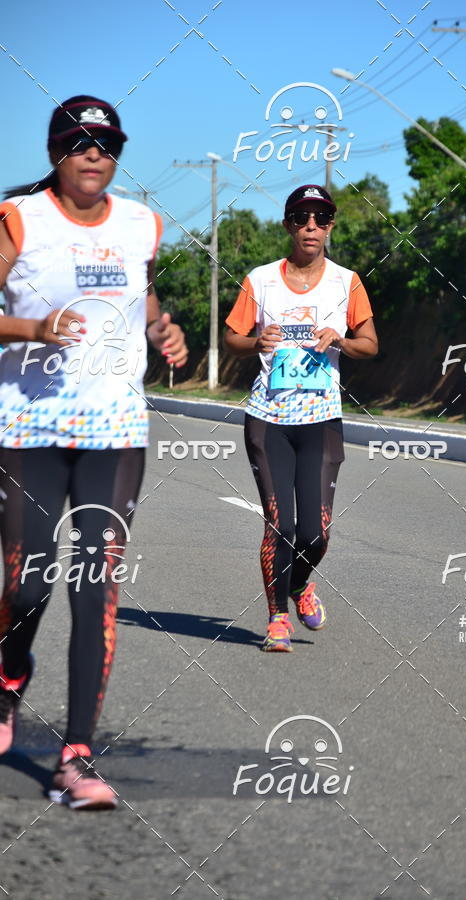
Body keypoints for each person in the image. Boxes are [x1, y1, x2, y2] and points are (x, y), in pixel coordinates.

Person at [0, 95, 188, 808]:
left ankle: (76, 756)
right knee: (27, 586)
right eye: (79, 143)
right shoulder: (21, 219)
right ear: (56, 152)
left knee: (95, 587)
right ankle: (8, 674)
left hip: (114, 430)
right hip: (29, 429)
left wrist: (163, 330)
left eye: (107, 145)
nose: (93, 155)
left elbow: (143, 301)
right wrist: (33, 328)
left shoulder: (141, 224)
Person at [224, 184, 378, 652]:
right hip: (268, 419)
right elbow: (232, 337)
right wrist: (256, 341)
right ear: (288, 224)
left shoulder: (347, 282)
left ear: (330, 226)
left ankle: (298, 584)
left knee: (315, 533)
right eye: (302, 218)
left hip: (321, 421)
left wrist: (340, 340)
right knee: (281, 525)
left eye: (321, 218)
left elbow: (370, 345)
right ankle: (277, 619)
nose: (312, 226)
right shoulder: (261, 280)